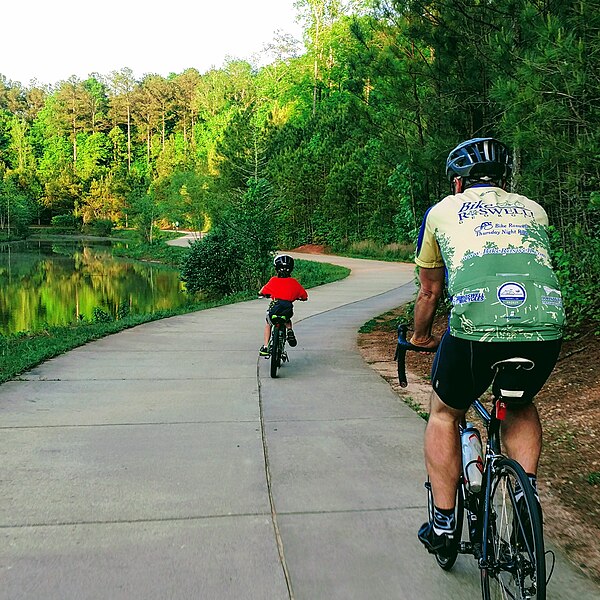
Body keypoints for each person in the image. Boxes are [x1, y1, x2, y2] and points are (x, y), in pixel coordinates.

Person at [411, 137, 565, 556]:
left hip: (477, 332)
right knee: (519, 402)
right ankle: (524, 497)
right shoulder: (534, 209)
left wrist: (419, 337)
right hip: (545, 328)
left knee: (444, 413)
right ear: (504, 180)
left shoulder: (441, 211)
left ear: (457, 183)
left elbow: (429, 292)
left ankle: (443, 525)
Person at [258, 254, 308, 356]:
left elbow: (262, 291)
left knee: (268, 322)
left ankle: (266, 347)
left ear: (276, 269)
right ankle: (289, 330)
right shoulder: (294, 282)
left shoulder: (273, 281)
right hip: (287, 308)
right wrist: (301, 298)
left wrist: (262, 294)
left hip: (275, 308)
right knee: (287, 319)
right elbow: (304, 295)